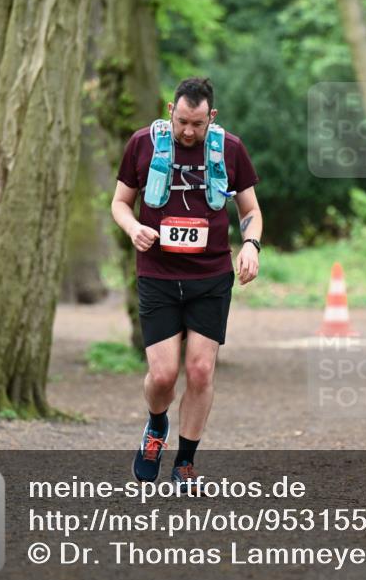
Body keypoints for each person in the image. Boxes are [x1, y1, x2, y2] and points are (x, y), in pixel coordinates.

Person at [111, 77, 262, 486]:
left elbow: (250, 208)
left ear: (211, 116)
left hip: (211, 275)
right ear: (170, 110)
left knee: (199, 372)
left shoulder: (229, 149)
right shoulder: (143, 143)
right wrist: (131, 228)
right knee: (162, 376)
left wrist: (251, 244)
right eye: (181, 122)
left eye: (197, 123)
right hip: (158, 274)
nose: (188, 132)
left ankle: (185, 462)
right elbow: (121, 202)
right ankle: (156, 426)